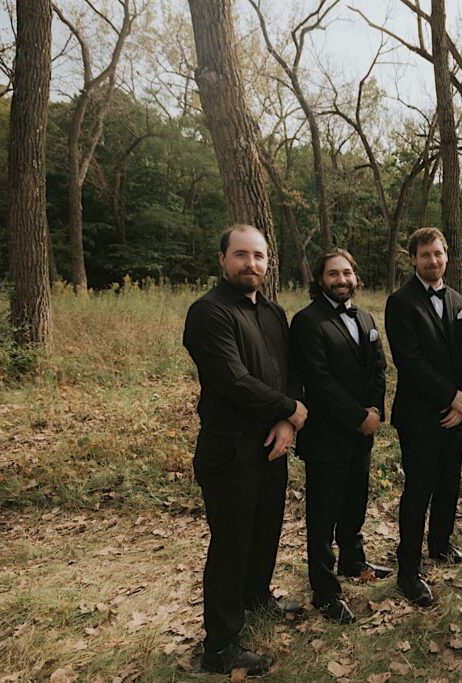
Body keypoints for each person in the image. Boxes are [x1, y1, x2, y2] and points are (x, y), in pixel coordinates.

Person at [183, 224, 306, 676]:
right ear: (222, 259)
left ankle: (256, 600)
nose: (250, 263)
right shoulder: (208, 313)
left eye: (258, 256)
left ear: (268, 262)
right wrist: (291, 408)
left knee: (265, 531)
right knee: (232, 544)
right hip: (229, 449)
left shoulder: (273, 313)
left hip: (271, 444)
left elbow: (288, 370)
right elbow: (232, 380)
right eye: (241, 255)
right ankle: (220, 646)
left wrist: (285, 421)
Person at [290, 249, 390, 625]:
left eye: (347, 272)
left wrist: (376, 410)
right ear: (320, 280)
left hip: (363, 431)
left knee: (355, 501)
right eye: (333, 274)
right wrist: (357, 417)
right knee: (322, 514)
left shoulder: (364, 317)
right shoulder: (307, 321)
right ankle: (325, 590)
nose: (342, 279)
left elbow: (379, 368)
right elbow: (318, 382)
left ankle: (353, 559)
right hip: (327, 436)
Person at [385, 227, 462, 607]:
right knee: (419, 489)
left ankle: (440, 543)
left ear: (446, 255)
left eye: (438, 254)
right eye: (425, 255)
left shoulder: (456, 298)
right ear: (413, 259)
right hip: (419, 414)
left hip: (456, 412)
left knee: (449, 482)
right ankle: (408, 569)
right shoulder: (400, 302)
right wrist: (451, 396)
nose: (432, 261)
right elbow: (410, 362)